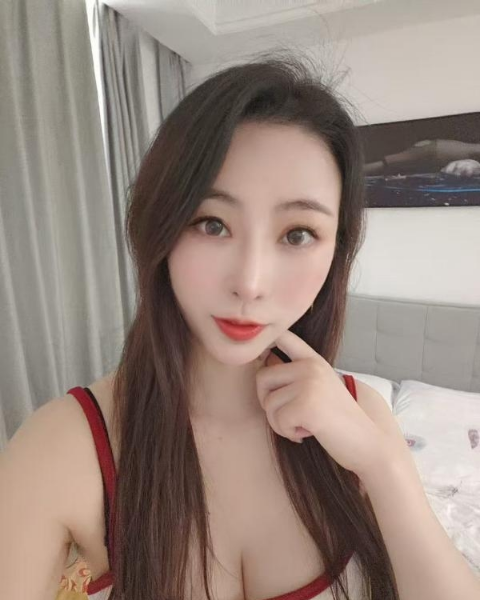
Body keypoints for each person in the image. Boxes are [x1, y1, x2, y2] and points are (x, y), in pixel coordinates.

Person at [0, 53, 422, 600]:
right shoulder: (62, 445)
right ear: (161, 227)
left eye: (297, 234)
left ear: (336, 251)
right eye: (212, 224)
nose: (250, 282)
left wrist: (383, 465)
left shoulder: (363, 416)